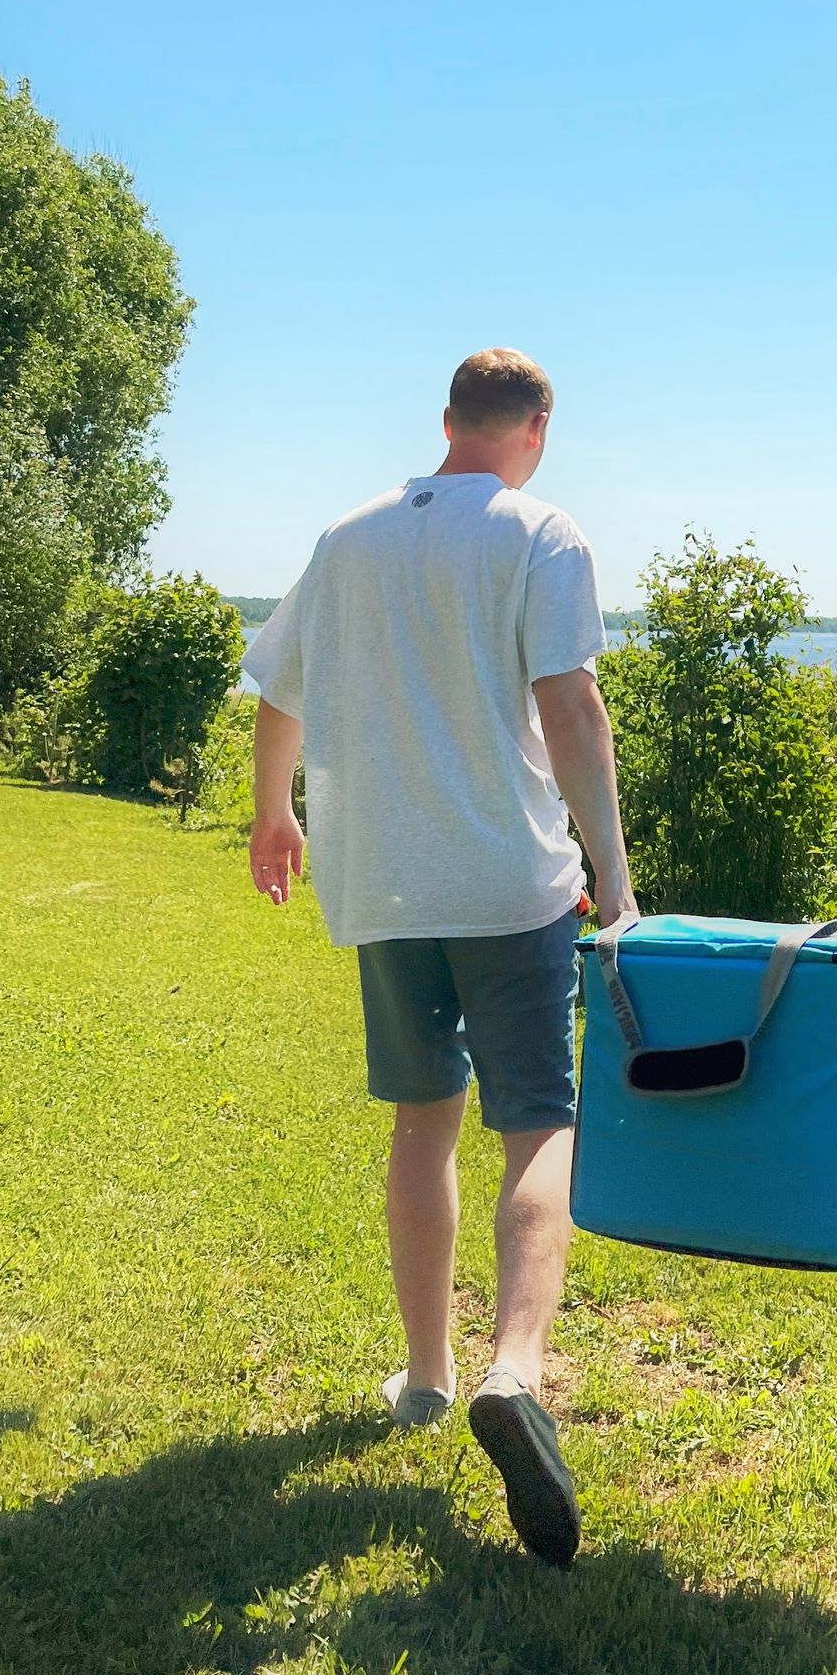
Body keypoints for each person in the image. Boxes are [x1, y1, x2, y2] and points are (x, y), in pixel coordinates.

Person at [244, 348, 633, 1567]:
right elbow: (569, 708)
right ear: (539, 427)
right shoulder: (539, 530)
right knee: (539, 1122)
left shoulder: (350, 537)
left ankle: (425, 1377)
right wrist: (612, 884)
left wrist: (274, 809)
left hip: (383, 887)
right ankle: (514, 1374)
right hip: (509, 887)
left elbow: (277, 691)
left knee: (423, 1122)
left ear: (447, 423)